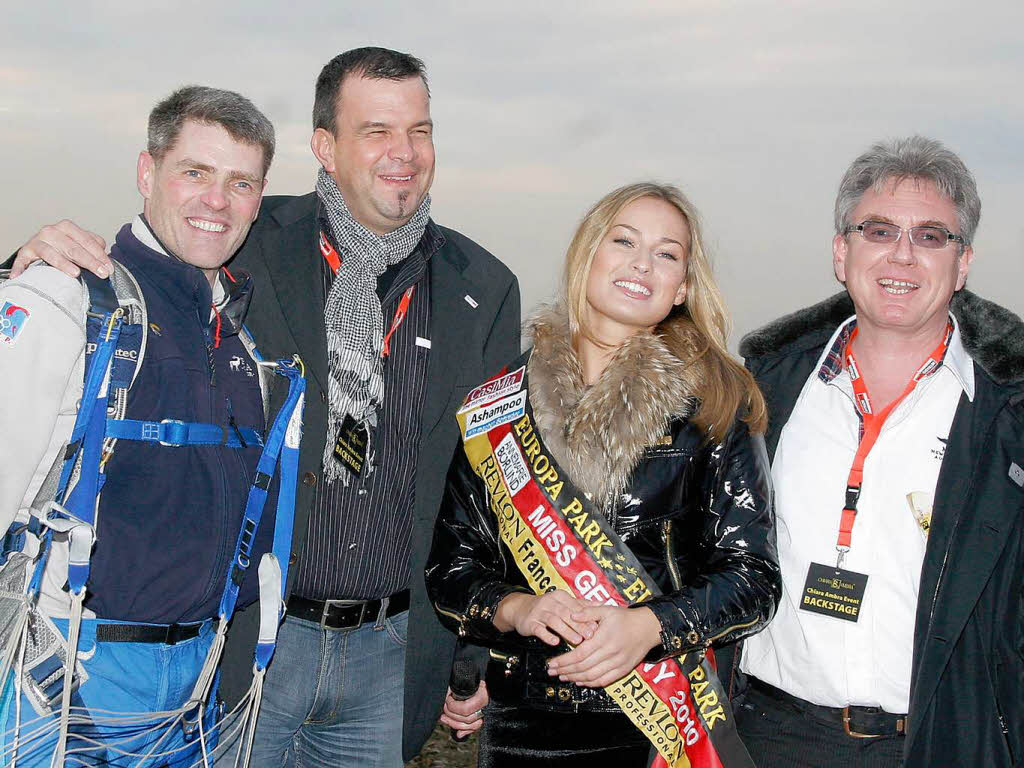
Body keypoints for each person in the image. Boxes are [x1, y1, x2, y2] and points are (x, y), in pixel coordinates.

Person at [11, 47, 519, 766]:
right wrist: (25, 261)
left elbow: (485, 493)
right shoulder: (241, 239)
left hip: (392, 653)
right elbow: (126, 277)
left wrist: (469, 659)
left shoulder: (486, 289)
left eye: (420, 130)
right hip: (248, 642)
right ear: (325, 146)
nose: (403, 154)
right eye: (376, 130)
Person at [425, 182, 780, 766]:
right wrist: (519, 609)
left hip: (660, 723)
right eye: (624, 241)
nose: (643, 263)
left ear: (683, 287)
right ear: (587, 254)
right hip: (521, 723)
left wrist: (648, 626)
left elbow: (754, 580)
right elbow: (451, 570)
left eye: (667, 253)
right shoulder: (500, 406)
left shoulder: (718, 402)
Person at [0, 86, 303, 766]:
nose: (216, 201)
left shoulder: (239, 340)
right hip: (60, 681)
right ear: (148, 173)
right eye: (195, 172)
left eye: (241, 182)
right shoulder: (64, 300)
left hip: (195, 692)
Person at [734, 136, 1024, 767]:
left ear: (964, 261)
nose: (902, 254)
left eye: (930, 236)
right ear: (843, 253)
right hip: (768, 738)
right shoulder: (762, 392)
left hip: (939, 740)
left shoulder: (1011, 415)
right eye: (879, 230)